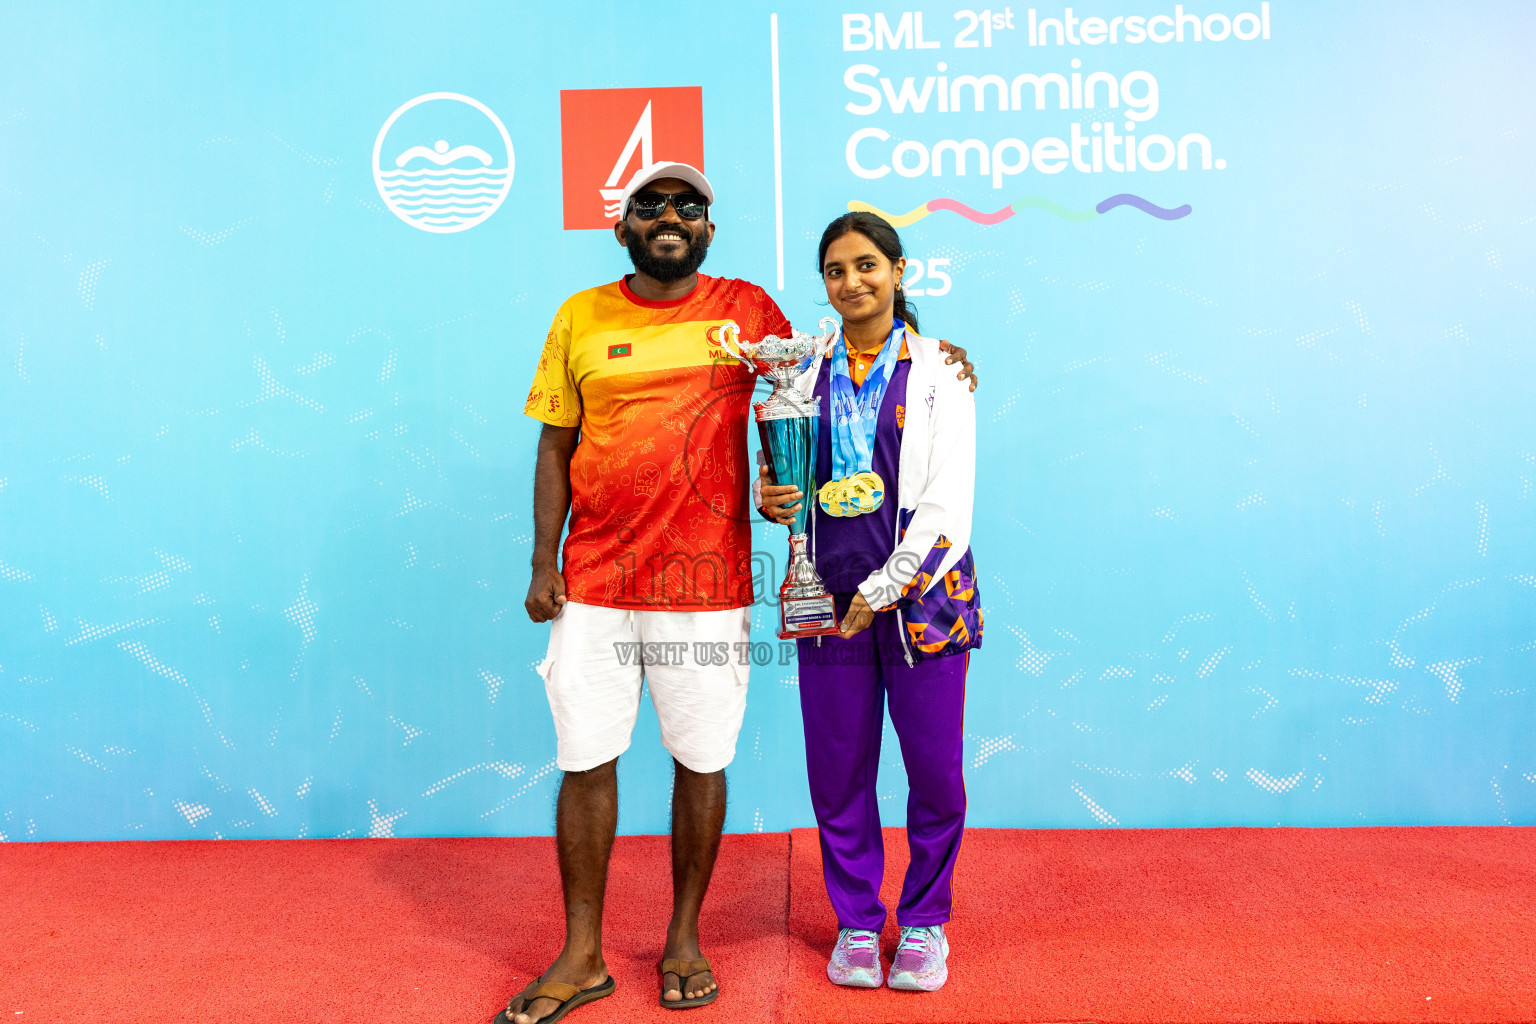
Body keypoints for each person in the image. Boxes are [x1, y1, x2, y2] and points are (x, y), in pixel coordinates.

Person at [509, 165, 977, 1023]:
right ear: (624, 227)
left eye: (689, 206)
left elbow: (806, 379)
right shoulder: (578, 315)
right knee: (587, 761)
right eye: (650, 206)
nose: (671, 218)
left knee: (707, 759)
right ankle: (584, 953)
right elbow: (555, 443)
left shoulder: (751, 311)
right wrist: (545, 561)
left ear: (711, 228)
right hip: (597, 582)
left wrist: (941, 354)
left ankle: (692, 938)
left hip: (718, 584)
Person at [759, 212, 982, 994]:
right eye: (834, 270)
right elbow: (788, 479)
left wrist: (885, 590)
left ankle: (923, 922)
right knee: (839, 769)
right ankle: (857, 923)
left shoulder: (943, 371)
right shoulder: (800, 374)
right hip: (826, 596)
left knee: (934, 771)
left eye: (866, 266)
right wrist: (772, 495)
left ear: (899, 270)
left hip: (924, 599)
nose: (851, 282)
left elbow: (949, 502)